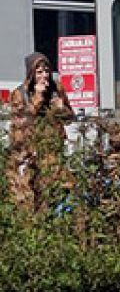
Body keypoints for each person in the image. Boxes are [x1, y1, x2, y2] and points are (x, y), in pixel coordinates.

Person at [6, 53, 74, 211]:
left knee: (62, 188)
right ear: (31, 74)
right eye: (39, 72)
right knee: (34, 193)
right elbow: (21, 122)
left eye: (47, 71)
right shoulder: (20, 93)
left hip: (53, 149)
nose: (44, 76)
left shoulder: (56, 88)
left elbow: (70, 116)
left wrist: (60, 108)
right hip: (31, 152)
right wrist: (37, 98)